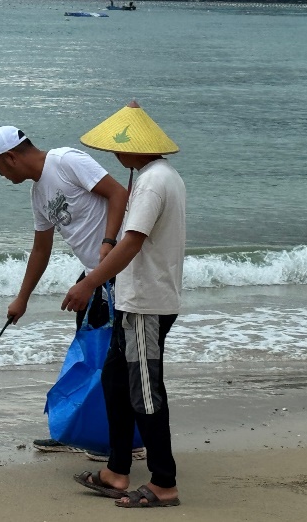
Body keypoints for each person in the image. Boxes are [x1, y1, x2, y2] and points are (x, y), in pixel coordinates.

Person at [0, 125, 132, 456]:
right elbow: (40, 250)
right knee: (89, 357)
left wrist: (108, 243)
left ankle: (124, 444)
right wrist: (22, 299)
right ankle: (79, 430)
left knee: (115, 361)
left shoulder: (66, 161)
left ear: (11, 157)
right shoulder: (38, 194)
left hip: (122, 272)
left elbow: (118, 193)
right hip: (94, 278)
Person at [62, 100, 185, 507]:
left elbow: (133, 242)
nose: (115, 154)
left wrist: (90, 283)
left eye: (119, 146)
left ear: (135, 147)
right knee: (116, 384)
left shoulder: (153, 182)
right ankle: (116, 471)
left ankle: (164, 483)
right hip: (136, 302)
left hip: (146, 304)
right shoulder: (158, 176)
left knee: (145, 393)